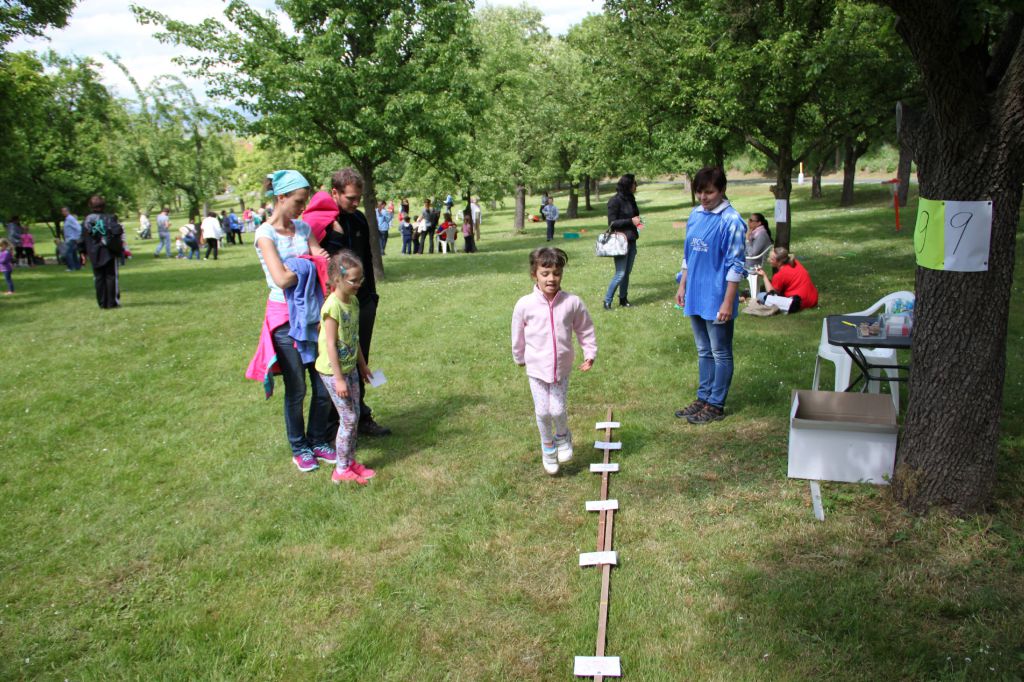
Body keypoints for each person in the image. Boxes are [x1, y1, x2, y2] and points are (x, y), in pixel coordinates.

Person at [248, 169, 334, 472]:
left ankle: (318, 440)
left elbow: (324, 262)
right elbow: (282, 279)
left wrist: (302, 265)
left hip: (314, 314)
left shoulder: (303, 228)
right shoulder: (265, 235)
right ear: (281, 197)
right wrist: (310, 264)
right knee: (297, 388)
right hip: (284, 320)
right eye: (298, 201)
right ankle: (299, 447)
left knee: (323, 382)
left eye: (304, 201)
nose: (302, 207)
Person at [511, 247, 597, 475]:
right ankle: (548, 447)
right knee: (542, 412)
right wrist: (519, 356)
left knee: (557, 410)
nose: (551, 278)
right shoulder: (524, 305)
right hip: (536, 369)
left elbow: (585, 329)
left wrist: (589, 352)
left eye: (556, 273)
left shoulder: (572, 303)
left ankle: (562, 436)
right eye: (545, 273)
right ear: (534, 275)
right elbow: (517, 334)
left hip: (561, 368)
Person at [320, 168, 390, 437]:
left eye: (358, 197)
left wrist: (370, 297)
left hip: (362, 302)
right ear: (335, 192)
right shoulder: (325, 223)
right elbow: (325, 263)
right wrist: (336, 235)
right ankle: (333, 427)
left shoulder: (359, 219)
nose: (355, 202)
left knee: (359, 360)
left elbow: (367, 259)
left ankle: (360, 418)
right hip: (336, 306)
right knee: (335, 362)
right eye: (350, 198)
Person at [674, 166, 746, 425]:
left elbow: (736, 265)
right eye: (699, 192)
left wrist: (728, 301)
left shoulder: (732, 221)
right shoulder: (695, 214)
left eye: (709, 192)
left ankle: (716, 404)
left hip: (718, 296)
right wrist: (683, 285)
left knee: (720, 352)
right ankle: (703, 397)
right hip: (696, 292)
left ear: (722, 190)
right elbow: (688, 255)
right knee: (703, 350)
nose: (703, 197)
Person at [316, 249, 377, 485]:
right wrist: (339, 378)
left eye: (360, 279)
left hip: (350, 367)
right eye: (353, 280)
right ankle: (340, 469)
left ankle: (350, 462)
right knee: (349, 418)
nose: (358, 284)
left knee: (355, 414)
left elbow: (353, 338)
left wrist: (362, 366)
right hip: (333, 372)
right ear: (337, 279)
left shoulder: (353, 302)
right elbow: (330, 344)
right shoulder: (332, 307)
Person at [603, 174, 643, 310]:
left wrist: (638, 222)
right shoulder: (614, 201)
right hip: (620, 242)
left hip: (632, 239)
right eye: (634, 183)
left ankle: (623, 299)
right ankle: (607, 300)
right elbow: (612, 223)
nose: (636, 186)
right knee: (620, 273)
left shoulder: (631, 199)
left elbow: (635, 216)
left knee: (627, 273)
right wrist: (630, 221)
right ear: (628, 185)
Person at [80, 195, 125, 309]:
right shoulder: (110, 218)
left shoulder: (86, 221)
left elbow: (82, 238)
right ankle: (112, 302)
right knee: (111, 276)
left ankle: (102, 303)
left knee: (99, 278)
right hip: (109, 252)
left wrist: (82, 252)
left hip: (94, 253)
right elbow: (118, 232)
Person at [756, 246, 818, 312]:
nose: (769, 260)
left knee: (760, 296)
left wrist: (764, 276)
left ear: (779, 262)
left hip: (798, 303)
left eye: (771, 259)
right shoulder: (795, 262)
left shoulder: (780, 275)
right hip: (813, 299)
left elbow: (771, 294)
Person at [62, 207, 83, 271]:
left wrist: (78, 237)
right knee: (73, 253)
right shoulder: (67, 219)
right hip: (69, 238)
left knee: (68, 253)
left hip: (71, 238)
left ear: (68, 211)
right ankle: (77, 266)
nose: (62, 213)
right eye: (62, 211)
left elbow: (78, 228)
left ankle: (71, 267)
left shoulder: (70, 219)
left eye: (64, 211)